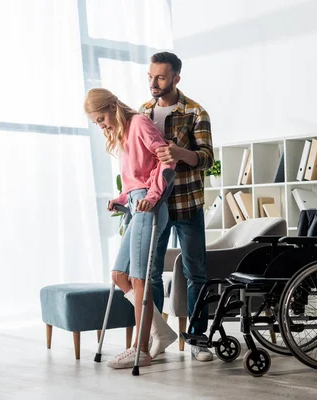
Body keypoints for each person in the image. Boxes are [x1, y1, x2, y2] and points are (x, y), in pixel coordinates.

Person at [84, 88, 178, 369]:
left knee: (140, 278)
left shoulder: (139, 124)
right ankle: (160, 331)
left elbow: (166, 162)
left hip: (150, 206)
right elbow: (135, 180)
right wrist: (121, 198)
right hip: (136, 204)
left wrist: (152, 196)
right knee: (119, 274)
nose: (102, 126)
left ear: (113, 106)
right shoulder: (124, 133)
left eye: (101, 119)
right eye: (97, 123)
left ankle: (141, 349)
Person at [139, 52, 215, 362]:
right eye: (150, 76)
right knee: (151, 273)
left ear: (175, 78)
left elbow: (207, 158)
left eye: (160, 77)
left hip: (187, 204)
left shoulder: (196, 112)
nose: (153, 83)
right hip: (155, 205)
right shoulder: (141, 113)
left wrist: (180, 153)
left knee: (196, 273)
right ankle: (158, 336)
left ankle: (198, 340)